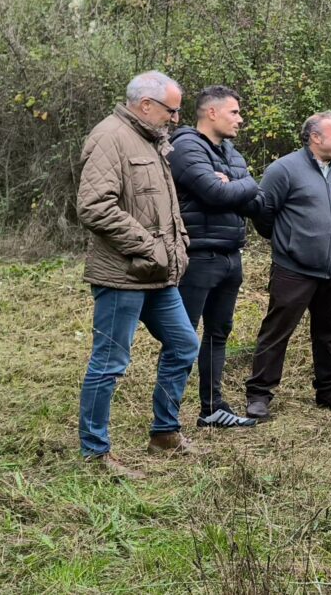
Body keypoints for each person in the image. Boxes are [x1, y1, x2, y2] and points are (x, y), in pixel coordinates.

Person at [76, 70, 200, 480]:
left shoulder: (150, 139)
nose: (175, 118)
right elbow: (95, 206)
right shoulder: (110, 137)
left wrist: (177, 245)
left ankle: (164, 433)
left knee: (184, 345)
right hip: (122, 275)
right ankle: (95, 454)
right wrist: (150, 247)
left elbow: (164, 206)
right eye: (171, 110)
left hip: (158, 275)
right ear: (146, 105)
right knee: (109, 363)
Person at [244, 111, 331, 420]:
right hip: (293, 269)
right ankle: (259, 395)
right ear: (315, 137)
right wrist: (286, 242)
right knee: (277, 332)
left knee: (330, 332)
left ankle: (328, 391)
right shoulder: (284, 169)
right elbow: (262, 212)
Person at [168, 86, 258, 428]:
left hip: (231, 255)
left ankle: (211, 408)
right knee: (183, 337)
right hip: (198, 257)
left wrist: (236, 181)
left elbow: (253, 199)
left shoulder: (230, 151)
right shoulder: (186, 144)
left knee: (218, 333)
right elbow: (215, 192)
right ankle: (167, 420)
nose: (240, 118)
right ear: (212, 113)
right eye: (234, 112)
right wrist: (241, 183)